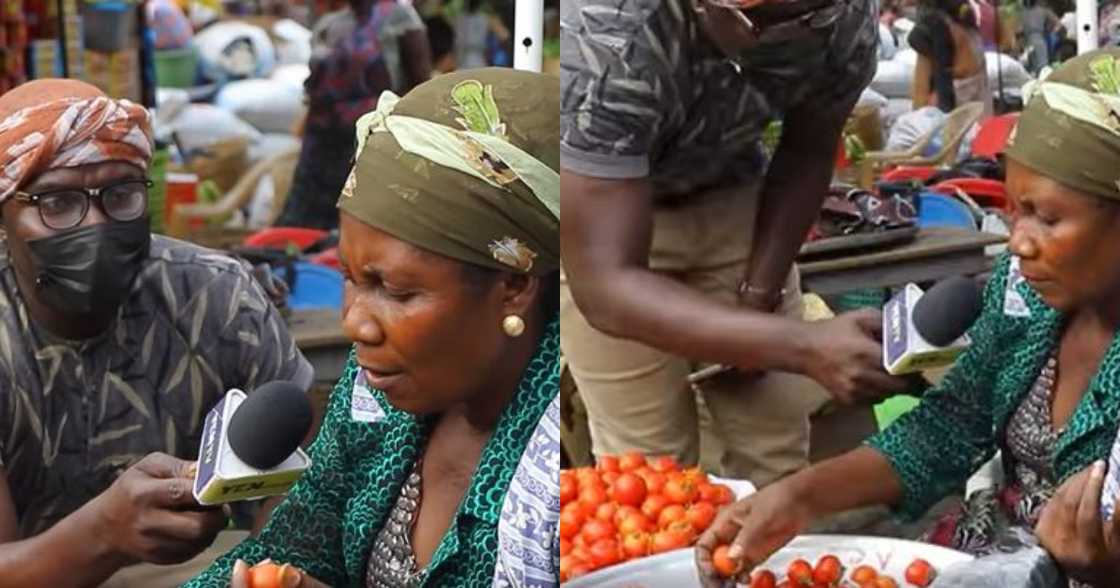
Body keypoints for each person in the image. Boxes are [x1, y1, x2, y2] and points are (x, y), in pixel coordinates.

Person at [695, 48, 1120, 588]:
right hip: (992, 555)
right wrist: (798, 497)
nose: (1017, 242)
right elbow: (950, 425)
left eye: (1047, 218)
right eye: (1014, 211)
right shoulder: (1025, 296)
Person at [184, 67, 561, 587]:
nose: (355, 322)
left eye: (396, 291)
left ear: (514, 285)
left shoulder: (575, 447)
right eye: (351, 279)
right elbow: (296, 542)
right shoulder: (374, 399)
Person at [560, 0, 912, 485]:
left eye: (811, 17)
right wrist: (801, 346)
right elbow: (605, 287)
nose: (799, 33)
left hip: (738, 204)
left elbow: (808, 148)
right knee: (648, 478)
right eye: (770, 23)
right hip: (610, 222)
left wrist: (759, 299)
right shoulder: (614, 34)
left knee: (775, 454)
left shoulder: (843, 15)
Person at [0, 79, 313, 586]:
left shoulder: (218, 297)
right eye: (56, 203)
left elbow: (301, 504)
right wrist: (103, 533)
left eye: (121, 194)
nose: (96, 225)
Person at [276, 0, 432, 230]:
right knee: (304, 227)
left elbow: (419, 85)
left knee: (357, 220)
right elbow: (315, 88)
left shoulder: (399, 18)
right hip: (320, 146)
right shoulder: (331, 24)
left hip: (367, 141)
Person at [908, 0, 993, 115]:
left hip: (955, 125)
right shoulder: (970, 25)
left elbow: (920, 99)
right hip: (981, 122)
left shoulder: (936, 31)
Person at [1022, 0, 1062, 74]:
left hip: (1035, 38)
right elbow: (1058, 24)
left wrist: (1052, 33)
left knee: (1041, 65)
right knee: (1033, 65)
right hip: (1028, 39)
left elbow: (1058, 24)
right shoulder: (1023, 11)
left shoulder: (1043, 10)